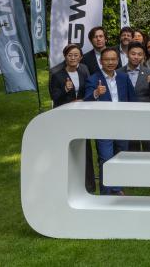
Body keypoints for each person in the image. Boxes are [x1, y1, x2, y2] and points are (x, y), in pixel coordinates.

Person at [83, 48, 137, 194]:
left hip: (122, 124)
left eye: (113, 59)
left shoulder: (123, 77)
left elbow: (133, 100)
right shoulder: (93, 79)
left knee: (121, 157)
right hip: (103, 126)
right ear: (101, 61)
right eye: (107, 59)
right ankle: (105, 193)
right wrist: (96, 93)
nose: (111, 62)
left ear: (118, 61)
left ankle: (117, 189)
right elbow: (86, 101)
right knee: (106, 159)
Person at [50, 44, 96, 193]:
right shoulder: (56, 74)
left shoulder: (84, 70)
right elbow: (54, 97)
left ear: (81, 57)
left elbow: (87, 89)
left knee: (85, 149)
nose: (73, 58)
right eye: (70, 55)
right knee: (68, 148)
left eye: (76, 55)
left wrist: (87, 98)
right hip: (65, 117)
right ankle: (66, 183)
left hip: (82, 116)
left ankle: (89, 185)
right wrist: (65, 90)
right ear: (65, 57)